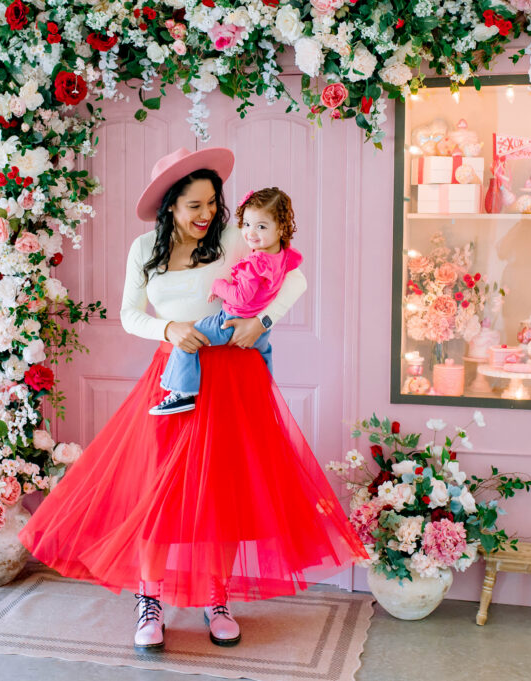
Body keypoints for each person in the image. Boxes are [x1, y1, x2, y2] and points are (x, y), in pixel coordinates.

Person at [18, 147, 366, 653]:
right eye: (194, 206)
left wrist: (262, 322)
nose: (207, 215)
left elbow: (295, 276)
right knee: (158, 493)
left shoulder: (232, 238)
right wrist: (169, 329)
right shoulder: (144, 248)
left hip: (233, 377)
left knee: (227, 492)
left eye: (212, 203)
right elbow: (129, 314)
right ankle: (150, 599)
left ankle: (217, 598)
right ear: (170, 206)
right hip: (175, 378)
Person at [150, 187, 301, 415]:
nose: (250, 233)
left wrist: (218, 285)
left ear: (280, 228)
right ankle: (264, 386)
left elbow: (241, 297)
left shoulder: (254, 262)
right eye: (246, 224)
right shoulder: (284, 255)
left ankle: (182, 392)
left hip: (230, 321)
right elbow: (293, 265)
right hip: (260, 332)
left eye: (261, 226)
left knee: (188, 338)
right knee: (265, 350)